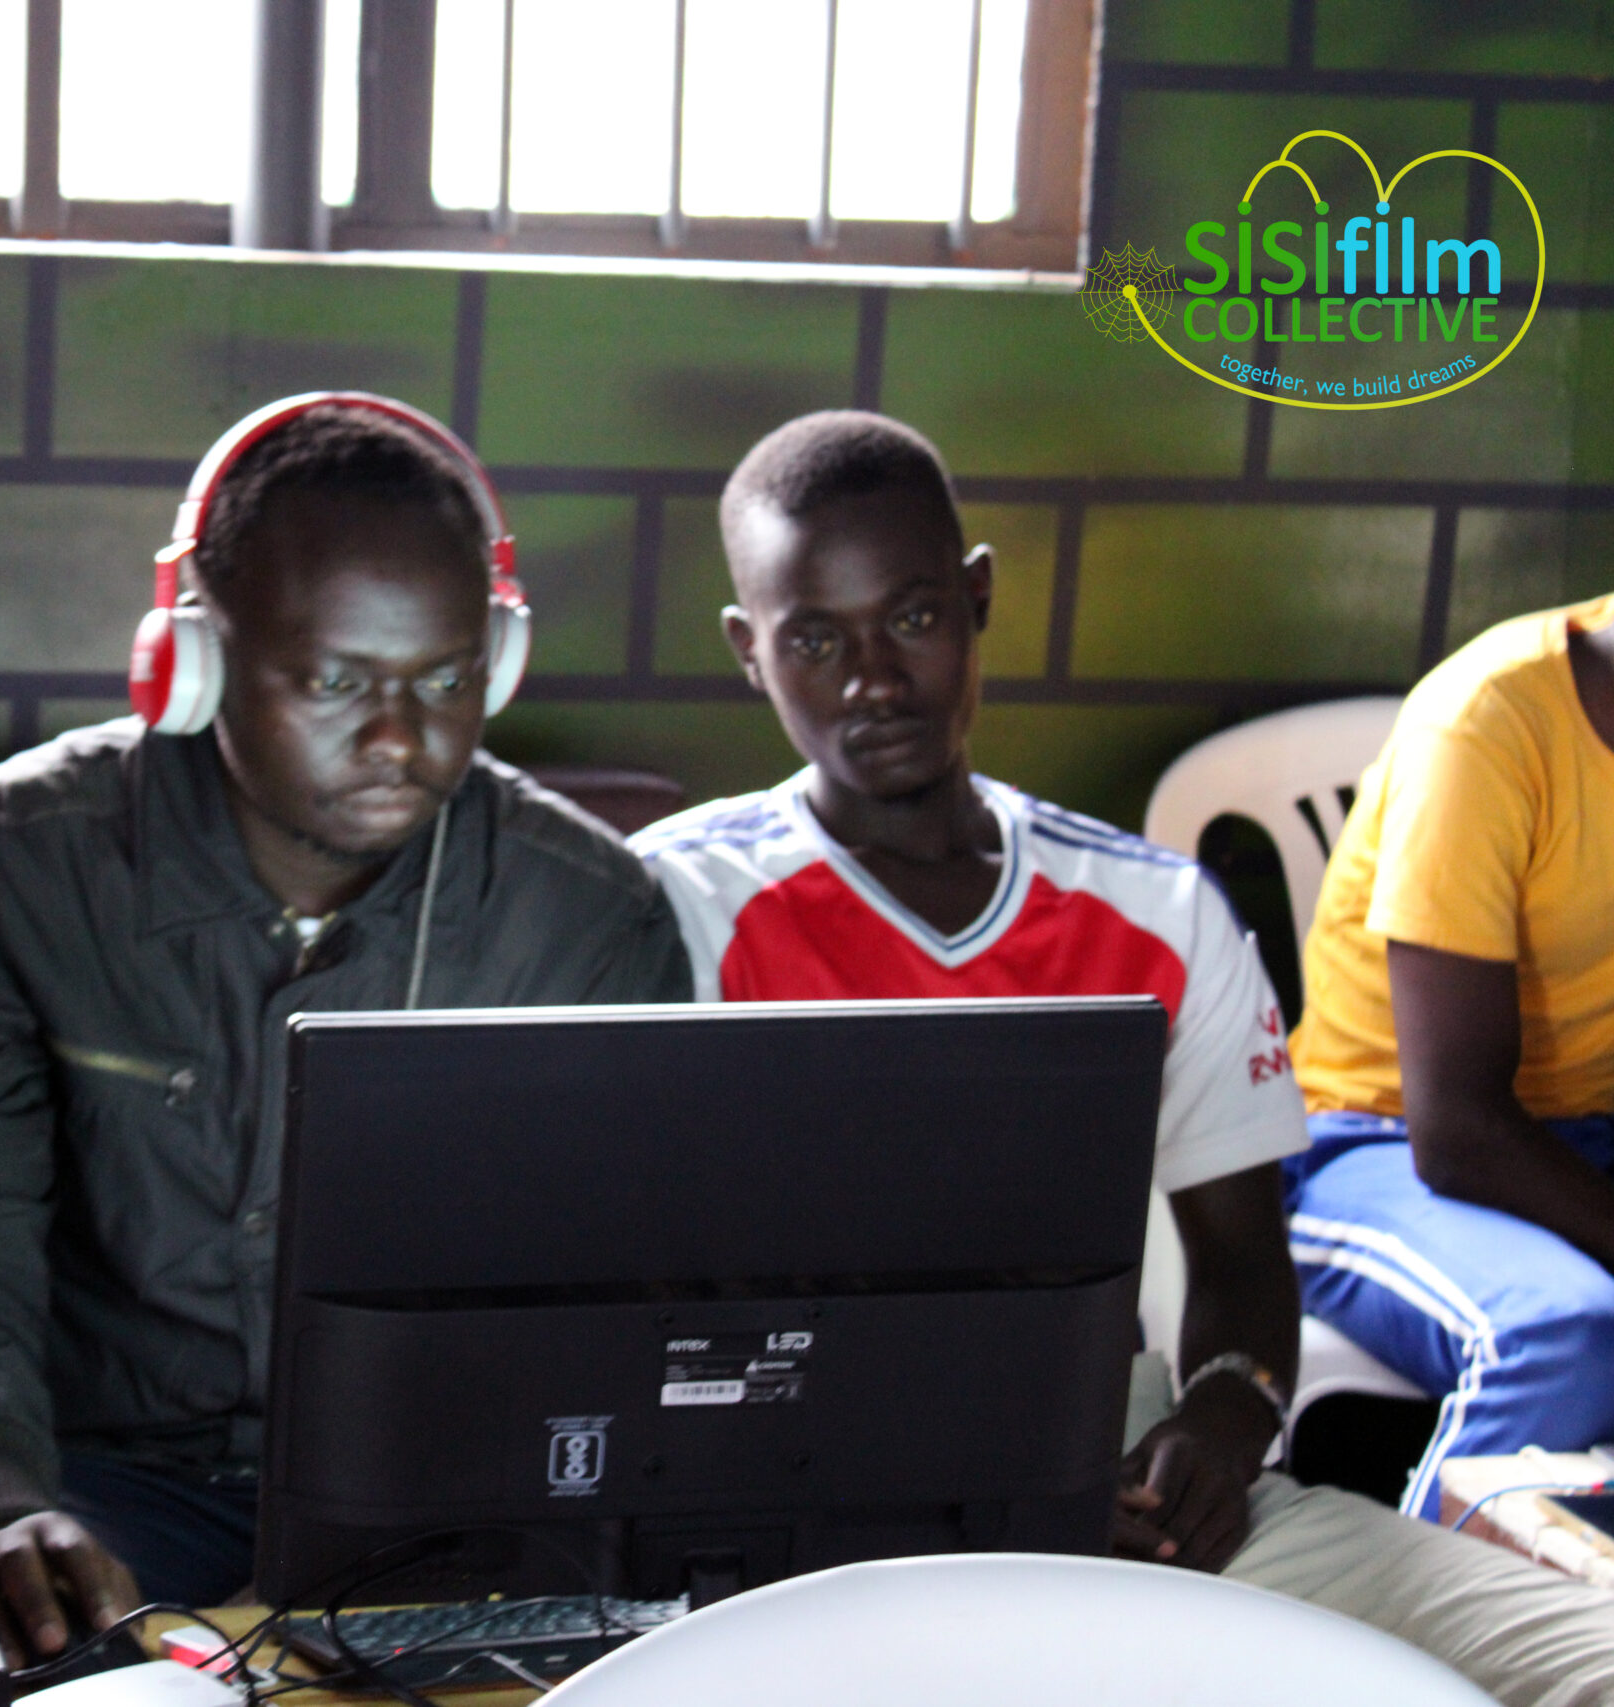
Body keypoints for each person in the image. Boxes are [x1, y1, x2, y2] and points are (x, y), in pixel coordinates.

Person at [627, 410, 1614, 1707]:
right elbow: (640, 1321)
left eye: (915, 617)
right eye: (816, 639)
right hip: (798, 1493)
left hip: (1123, 1471)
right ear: (751, 653)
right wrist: (977, 1512)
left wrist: (1221, 1414)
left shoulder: (1159, 911)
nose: (874, 677)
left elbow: (1247, 1263)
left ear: (978, 601)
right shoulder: (669, 909)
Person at [0, 395, 691, 1659]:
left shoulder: (590, 917)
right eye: (336, 681)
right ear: (196, 663)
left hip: (448, 1509)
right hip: (103, 1489)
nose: (400, 737)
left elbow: (640, 1283)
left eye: (448, 678)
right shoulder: (5, 870)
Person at [1289, 594, 1614, 1521]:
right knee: (1566, 1333)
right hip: (1368, 1143)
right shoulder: (1492, 716)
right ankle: (1438, 1648)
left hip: (1585, 1135)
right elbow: (1457, 1129)